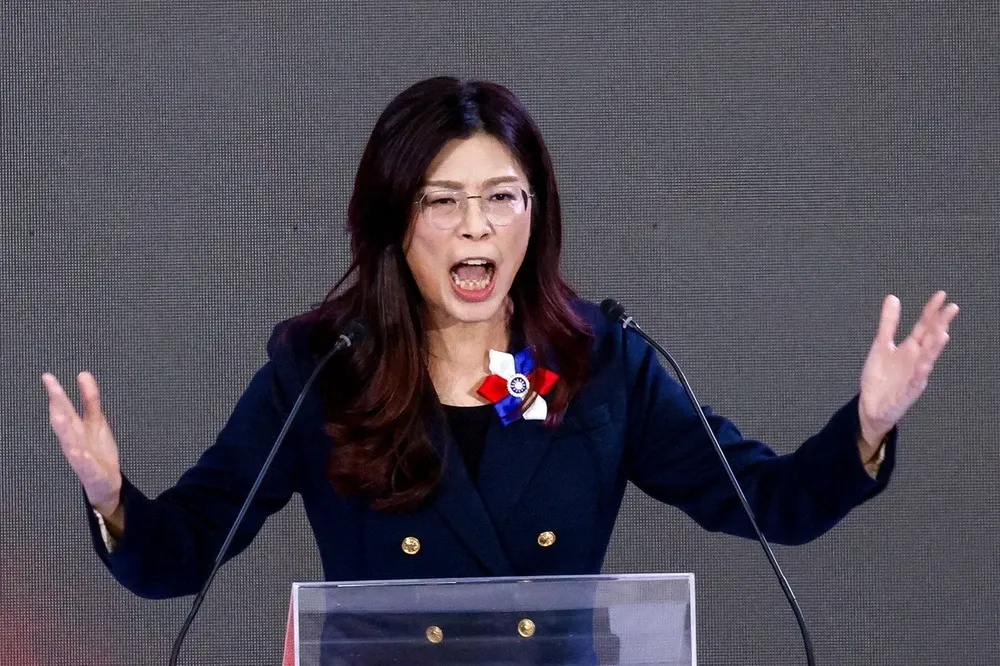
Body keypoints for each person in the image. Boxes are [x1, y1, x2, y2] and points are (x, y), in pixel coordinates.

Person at [42, 77, 958, 661]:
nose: (475, 225)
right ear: (397, 224)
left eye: (500, 198)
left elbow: (771, 502)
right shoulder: (324, 371)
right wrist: (113, 498)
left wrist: (868, 427)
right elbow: (183, 552)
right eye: (442, 201)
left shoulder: (603, 365)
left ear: (535, 213)